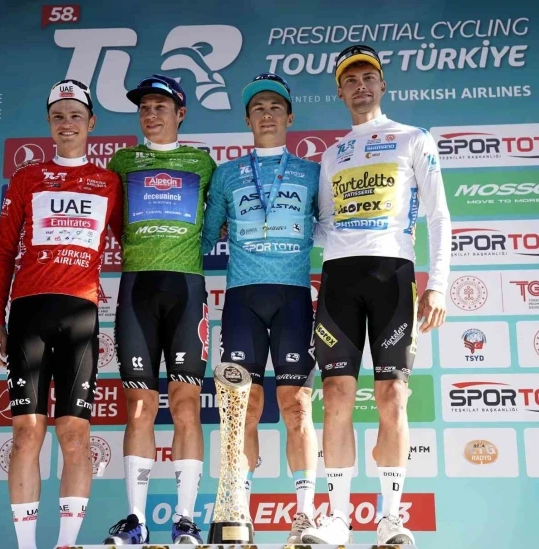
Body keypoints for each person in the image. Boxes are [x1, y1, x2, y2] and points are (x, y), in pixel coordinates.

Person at [299, 44, 451, 546]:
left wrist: (438, 283)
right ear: (340, 92)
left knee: (392, 396)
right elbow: (323, 225)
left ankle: (390, 518)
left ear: (382, 84)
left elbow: (438, 216)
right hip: (339, 279)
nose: (360, 86)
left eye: (368, 77)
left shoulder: (413, 138)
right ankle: (338, 518)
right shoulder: (332, 154)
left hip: (393, 276)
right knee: (336, 395)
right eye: (350, 79)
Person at [0, 79, 124, 549]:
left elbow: (135, 241)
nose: (67, 124)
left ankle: (67, 544)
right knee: (26, 433)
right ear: (49, 123)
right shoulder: (27, 178)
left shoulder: (109, 182)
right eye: (59, 116)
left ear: (91, 123)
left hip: (81, 315)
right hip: (29, 314)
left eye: (75, 115)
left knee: (75, 434)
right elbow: (3, 251)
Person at [200, 73, 321, 543]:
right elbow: (205, 237)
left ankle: (304, 516)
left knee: (297, 406)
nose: (266, 114)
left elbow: (334, 230)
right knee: (241, 408)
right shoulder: (227, 174)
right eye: (257, 108)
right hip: (242, 299)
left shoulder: (312, 172)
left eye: (275, 107)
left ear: (289, 117)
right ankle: (238, 513)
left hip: (293, 298)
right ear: (247, 118)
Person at [103, 74, 217, 545]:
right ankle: (135, 519)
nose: (151, 114)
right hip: (137, 288)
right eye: (144, 107)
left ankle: (186, 519)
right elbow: (114, 224)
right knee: (139, 406)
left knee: (186, 404)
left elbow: (216, 220)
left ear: (180, 113)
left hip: (187, 288)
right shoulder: (122, 162)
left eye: (161, 107)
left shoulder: (202, 163)